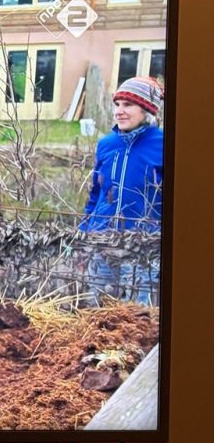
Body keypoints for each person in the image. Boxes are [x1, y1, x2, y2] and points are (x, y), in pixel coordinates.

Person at [79, 76, 164, 306]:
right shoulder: (107, 144)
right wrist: (85, 227)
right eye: (117, 104)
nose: (119, 111)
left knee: (137, 317)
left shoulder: (164, 144)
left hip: (142, 246)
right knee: (99, 312)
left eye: (128, 105)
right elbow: (96, 192)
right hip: (103, 241)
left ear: (147, 110)